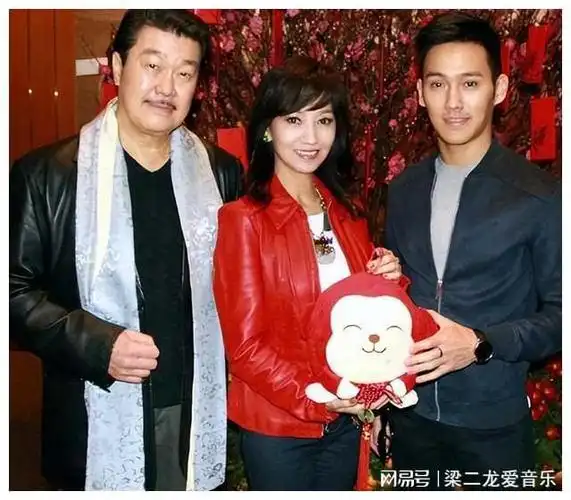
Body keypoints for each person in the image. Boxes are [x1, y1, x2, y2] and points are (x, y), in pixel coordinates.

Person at [9, 9, 243, 491]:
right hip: (95, 408)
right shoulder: (48, 176)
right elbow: (13, 293)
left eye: (184, 73)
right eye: (152, 65)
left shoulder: (220, 173)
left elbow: (245, 279)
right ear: (117, 67)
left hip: (194, 404)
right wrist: (96, 344)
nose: (167, 87)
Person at [375, 12, 562, 490]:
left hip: (494, 426)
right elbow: (393, 304)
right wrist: (379, 398)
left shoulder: (539, 196)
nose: (453, 102)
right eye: (438, 84)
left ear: (499, 89)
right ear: (421, 93)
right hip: (412, 416)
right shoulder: (404, 189)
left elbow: (561, 316)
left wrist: (481, 343)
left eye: (470, 83)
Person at [212, 55, 402, 491]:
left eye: (324, 120)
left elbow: (367, 314)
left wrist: (391, 279)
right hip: (280, 427)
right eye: (295, 120)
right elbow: (245, 348)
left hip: (347, 420)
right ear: (268, 128)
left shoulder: (349, 213)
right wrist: (320, 399)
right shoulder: (243, 221)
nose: (311, 137)